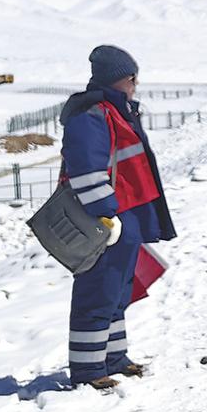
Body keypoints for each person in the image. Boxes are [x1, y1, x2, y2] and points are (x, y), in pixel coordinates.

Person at [59, 45, 177, 389]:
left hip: (125, 218)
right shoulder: (92, 114)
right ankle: (88, 371)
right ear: (117, 79)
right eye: (132, 78)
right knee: (97, 291)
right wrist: (106, 216)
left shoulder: (116, 110)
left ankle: (113, 358)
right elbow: (86, 172)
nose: (136, 84)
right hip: (106, 221)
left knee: (117, 292)